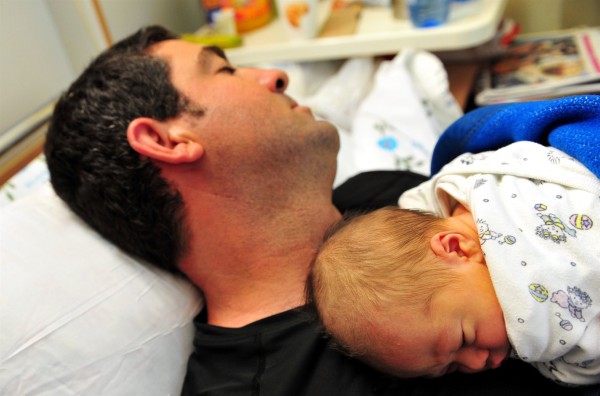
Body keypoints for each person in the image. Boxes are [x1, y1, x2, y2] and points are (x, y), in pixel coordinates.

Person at [44, 25, 589, 395]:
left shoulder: (379, 200)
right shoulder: (261, 385)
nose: (273, 77)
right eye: (223, 71)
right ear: (165, 140)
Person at [309, 141, 600, 387]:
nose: (476, 363)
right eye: (451, 369)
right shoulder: (461, 183)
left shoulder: (540, 298)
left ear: (456, 248)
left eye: (463, 339)